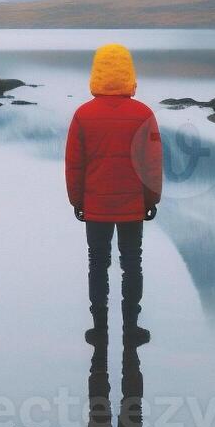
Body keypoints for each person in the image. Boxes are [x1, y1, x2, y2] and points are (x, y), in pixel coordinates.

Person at [65, 44, 161, 345]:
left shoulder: (82, 115)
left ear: (97, 73)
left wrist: (77, 200)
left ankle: (99, 327)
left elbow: (74, 164)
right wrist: (151, 199)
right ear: (128, 73)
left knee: (98, 261)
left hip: (96, 204)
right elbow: (152, 165)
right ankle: (131, 327)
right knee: (132, 262)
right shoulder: (144, 114)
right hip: (132, 204)